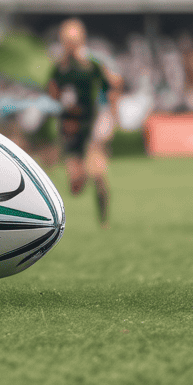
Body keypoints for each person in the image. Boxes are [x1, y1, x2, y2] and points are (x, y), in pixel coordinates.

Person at [47, 18, 123, 228]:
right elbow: (53, 92)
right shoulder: (59, 67)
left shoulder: (92, 65)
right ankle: (82, 173)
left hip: (92, 124)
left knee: (97, 173)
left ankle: (104, 220)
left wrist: (111, 117)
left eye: (73, 40)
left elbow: (113, 86)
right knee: (76, 186)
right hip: (70, 128)